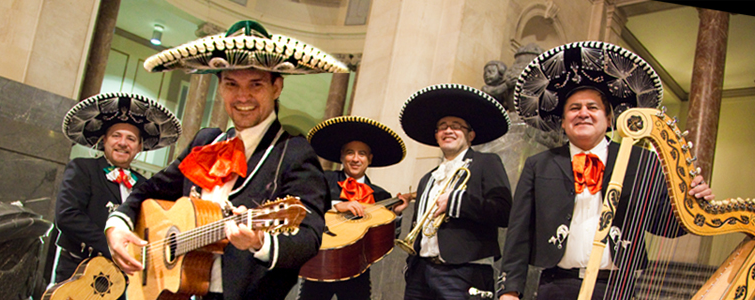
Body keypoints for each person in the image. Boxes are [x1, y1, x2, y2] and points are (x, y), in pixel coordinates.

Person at [103, 20, 348, 300]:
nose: (243, 96)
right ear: (220, 87)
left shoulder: (293, 152)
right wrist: (117, 225)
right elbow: (149, 190)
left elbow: (309, 235)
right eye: (232, 84)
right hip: (177, 289)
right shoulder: (207, 141)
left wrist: (260, 241)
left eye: (255, 84)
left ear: (276, 87)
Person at [497, 41, 716, 300]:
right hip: (555, 286)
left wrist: (693, 204)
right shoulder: (539, 164)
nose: (583, 114)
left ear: (609, 119)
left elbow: (662, 224)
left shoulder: (641, 160)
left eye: (593, 107)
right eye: (574, 108)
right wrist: (509, 290)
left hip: (616, 288)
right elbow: (519, 231)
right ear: (564, 122)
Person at [51, 92, 182, 295]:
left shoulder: (146, 186)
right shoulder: (82, 169)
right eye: (116, 136)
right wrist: (115, 246)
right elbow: (67, 216)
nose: (123, 143)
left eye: (131, 139)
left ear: (139, 147)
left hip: (125, 282)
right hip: (79, 273)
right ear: (104, 140)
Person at [397, 83, 513, 299]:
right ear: (436, 136)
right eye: (442, 127)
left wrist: (457, 202)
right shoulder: (427, 178)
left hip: (465, 272)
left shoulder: (486, 162)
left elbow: (504, 211)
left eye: (457, 126)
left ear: (471, 135)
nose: (448, 130)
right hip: (420, 272)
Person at [298, 115, 410, 300]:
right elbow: (303, 208)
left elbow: (385, 240)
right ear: (342, 156)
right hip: (321, 266)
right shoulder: (323, 180)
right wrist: (337, 206)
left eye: (362, 153)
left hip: (357, 269)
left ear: (370, 159)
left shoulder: (381, 195)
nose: (356, 159)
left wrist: (396, 216)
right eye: (350, 152)